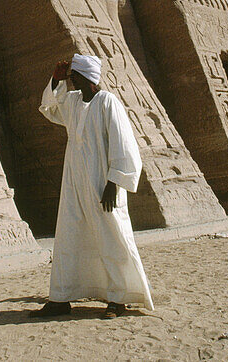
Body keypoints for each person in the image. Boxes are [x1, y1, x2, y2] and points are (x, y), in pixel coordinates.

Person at [30, 54, 154, 319]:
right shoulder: (73, 102)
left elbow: (124, 145)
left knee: (112, 237)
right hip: (74, 182)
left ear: (86, 77)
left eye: (73, 76)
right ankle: (61, 298)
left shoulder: (108, 102)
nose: (70, 80)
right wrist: (55, 78)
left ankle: (118, 299)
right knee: (69, 236)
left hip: (102, 184)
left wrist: (114, 182)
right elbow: (50, 108)